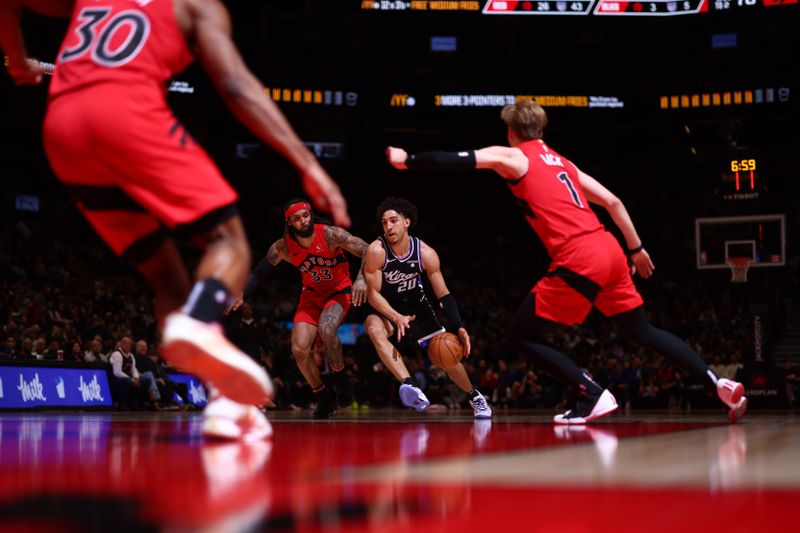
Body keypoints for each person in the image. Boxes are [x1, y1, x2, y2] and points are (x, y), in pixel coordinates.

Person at [1, 0, 351, 440]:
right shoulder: (197, 6)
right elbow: (236, 86)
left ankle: (224, 402)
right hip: (126, 115)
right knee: (229, 243)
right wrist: (307, 163)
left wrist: (16, 62)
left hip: (63, 128)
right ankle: (198, 321)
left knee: (166, 275)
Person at [385, 99, 747, 424]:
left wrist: (408, 161)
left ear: (512, 132)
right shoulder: (563, 162)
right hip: (610, 249)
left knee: (521, 334)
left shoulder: (516, 156)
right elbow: (614, 202)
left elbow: (459, 159)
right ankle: (716, 381)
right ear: (541, 128)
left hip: (579, 256)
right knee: (641, 332)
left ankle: (591, 393)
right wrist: (636, 249)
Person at [229, 199, 368, 418]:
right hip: (311, 296)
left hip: (338, 291)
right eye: (296, 218)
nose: (303, 221)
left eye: (305, 215)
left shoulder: (331, 235)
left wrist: (361, 279)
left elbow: (367, 251)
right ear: (289, 222)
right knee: (299, 350)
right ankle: (323, 397)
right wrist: (242, 292)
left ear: (311, 215)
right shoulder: (283, 247)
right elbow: (259, 272)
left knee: (327, 328)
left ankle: (340, 379)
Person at [362, 197, 492, 419]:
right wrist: (396, 316)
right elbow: (372, 293)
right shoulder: (377, 250)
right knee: (373, 328)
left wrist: (459, 326)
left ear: (407, 222)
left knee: (446, 355)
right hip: (386, 306)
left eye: (393, 221)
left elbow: (444, 294)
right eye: (384, 223)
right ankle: (409, 384)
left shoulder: (425, 252)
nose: (388, 227)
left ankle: (474, 396)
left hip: (417, 306)